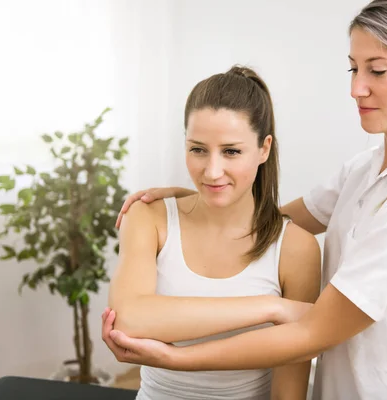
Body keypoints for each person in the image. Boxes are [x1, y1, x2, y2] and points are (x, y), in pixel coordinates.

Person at [103, 1, 387, 398]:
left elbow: (310, 331)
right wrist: (196, 200)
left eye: (378, 70)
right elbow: (266, 223)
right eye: (354, 68)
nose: (356, 88)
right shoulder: (365, 169)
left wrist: (172, 358)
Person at [106, 65, 321, 400]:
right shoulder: (148, 215)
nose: (212, 170)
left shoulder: (295, 249)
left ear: (264, 149)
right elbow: (128, 321)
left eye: (231, 151)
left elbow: (288, 390)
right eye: (198, 149)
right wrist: (270, 307)